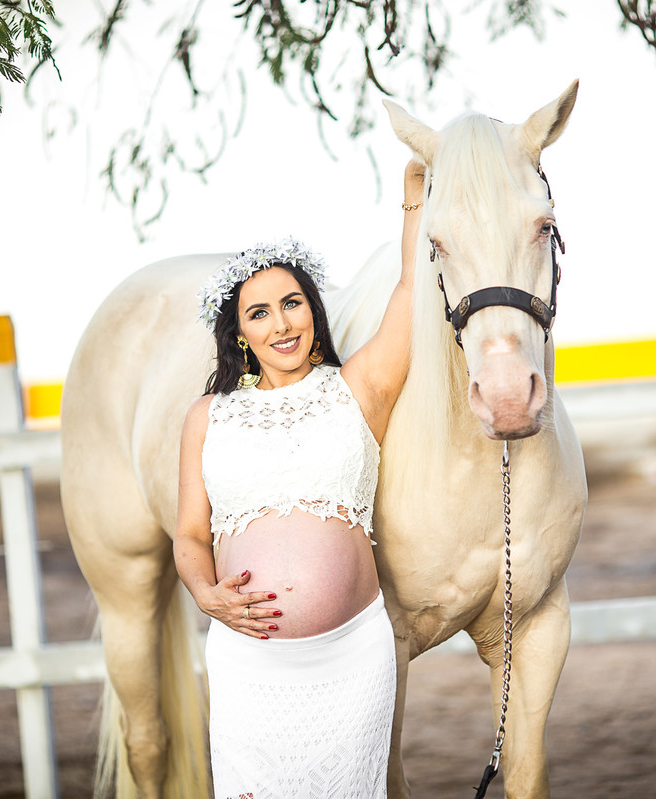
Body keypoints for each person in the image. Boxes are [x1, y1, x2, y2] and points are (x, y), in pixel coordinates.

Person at [173, 160, 426, 798]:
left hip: (353, 661)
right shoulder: (207, 417)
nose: (281, 324)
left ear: (313, 312)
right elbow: (187, 536)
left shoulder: (358, 389)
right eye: (260, 314)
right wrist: (205, 593)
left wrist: (413, 206)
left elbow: (411, 292)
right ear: (239, 332)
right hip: (247, 666)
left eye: (292, 304)